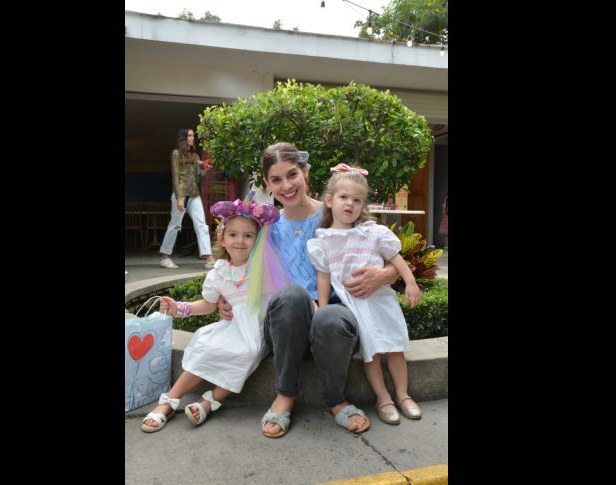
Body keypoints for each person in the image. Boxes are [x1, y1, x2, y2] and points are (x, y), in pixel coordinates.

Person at [217, 142, 403, 438]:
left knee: (329, 317)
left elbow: (390, 252)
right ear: (267, 183)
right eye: (276, 179)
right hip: (286, 326)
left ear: (305, 171)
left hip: (335, 327)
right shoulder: (267, 227)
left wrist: (384, 274)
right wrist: (224, 299)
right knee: (292, 296)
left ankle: (336, 399)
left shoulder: (337, 212)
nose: (286, 186)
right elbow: (237, 269)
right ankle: (285, 394)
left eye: (292, 174)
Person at [141, 194, 281, 433]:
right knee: (206, 346)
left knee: (246, 353)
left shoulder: (263, 268)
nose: (240, 241)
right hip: (232, 326)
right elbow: (208, 304)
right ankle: (170, 399)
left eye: (248, 236)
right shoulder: (219, 273)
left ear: (258, 240)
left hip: (257, 329)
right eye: (233, 234)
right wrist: (179, 308)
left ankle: (209, 402)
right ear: (222, 238)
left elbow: (276, 299)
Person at [307, 164, 422, 425]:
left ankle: (403, 395)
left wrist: (410, 282)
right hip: (356, 305)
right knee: (371, 353)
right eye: (344, 197)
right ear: (329, 200)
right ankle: (384, 398)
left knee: (395, 347)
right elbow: (323, 277)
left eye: (357, 200)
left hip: (381, 300)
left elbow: (396, 257)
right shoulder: (323, 241)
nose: (350, 204)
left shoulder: (372, 232)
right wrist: (322, 308)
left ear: (363, 205)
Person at [157, 128, 215, 270]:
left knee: (201, 224)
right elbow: (175, 176)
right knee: (175, 225)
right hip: (181, 193)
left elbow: (197, 176)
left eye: (193, 135)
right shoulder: (176, 153)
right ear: (184, 138)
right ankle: (164, 257)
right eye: (189, 135)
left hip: (194, 194)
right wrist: (178, 198)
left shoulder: (195, 155)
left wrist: (205, 169)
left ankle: (209, 258)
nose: (192, 138)